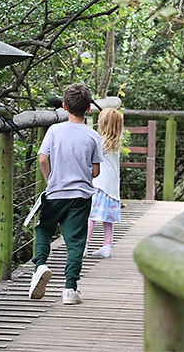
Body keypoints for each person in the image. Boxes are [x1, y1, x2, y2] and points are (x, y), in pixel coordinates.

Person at [31, 83, 102, 305]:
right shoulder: (92, 136)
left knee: (43, 229)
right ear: (88, 109)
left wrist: (50, 180)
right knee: (75, 241)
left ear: (63, 106)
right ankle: (70, 288)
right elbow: (96, 171)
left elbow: (42, 159)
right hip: (80, 197)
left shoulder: (54, 130)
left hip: (55, 193)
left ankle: (40, 265)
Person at [85, 108, 123, 259]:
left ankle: (84, 245)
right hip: (112, 187)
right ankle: (107, 246)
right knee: (108, 219)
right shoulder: (115, 144)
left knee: (90, 215)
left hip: (99, 185)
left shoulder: (100, 143)